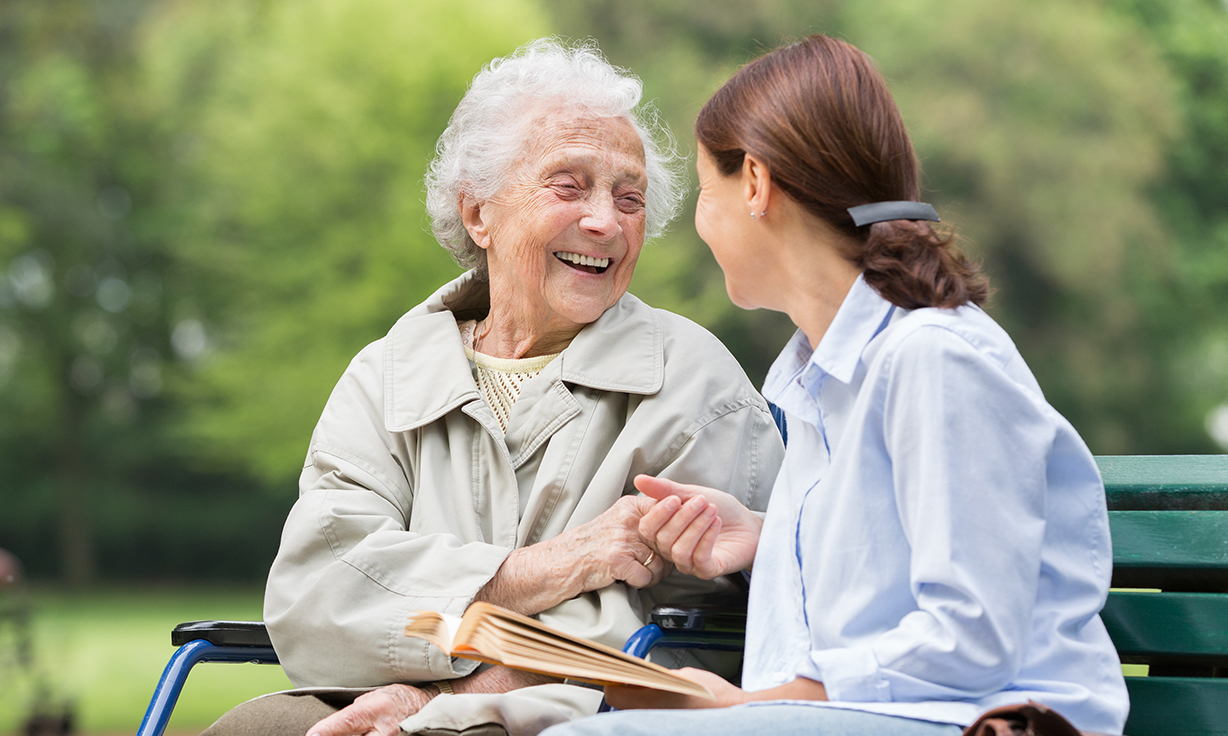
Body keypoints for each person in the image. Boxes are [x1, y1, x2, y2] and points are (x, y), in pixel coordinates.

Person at [541, 34, 1130, 736]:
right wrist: (768, 538)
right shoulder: (815, 378)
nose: (699, 223)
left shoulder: (935, 360)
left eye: (707, 191)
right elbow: (895, 572)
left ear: (755, 184)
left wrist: (748, 705)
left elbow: (970, 637)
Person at [202, 39, 784, 736]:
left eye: (628, 198)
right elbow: (318, 591)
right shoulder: (386, 375)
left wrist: (460, 698)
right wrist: (543, 569)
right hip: (372, 692)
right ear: (479, 213)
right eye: (568, 186)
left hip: (584, 714)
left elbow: (709, 633)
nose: (605, 221)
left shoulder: (695, 383)